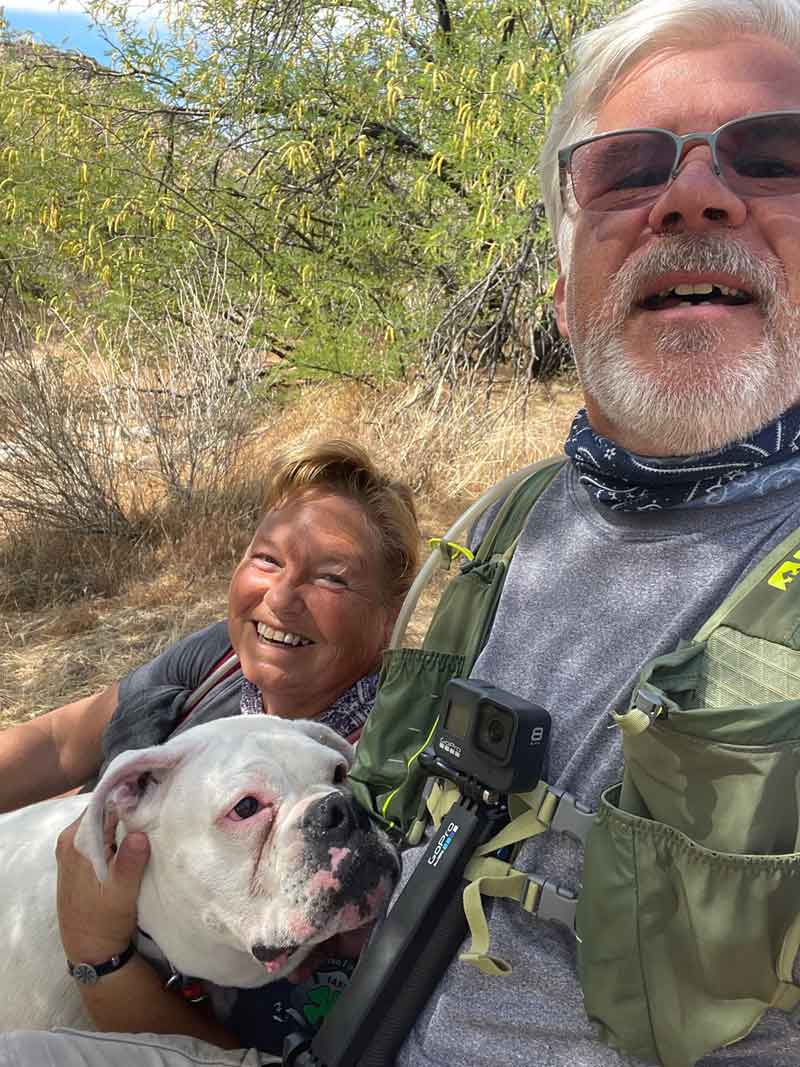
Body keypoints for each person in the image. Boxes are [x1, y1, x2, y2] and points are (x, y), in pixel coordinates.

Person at [5, 0, 800, 1062]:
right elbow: (66, 737)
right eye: (626, 169)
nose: (694, 196)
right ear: (561, 296)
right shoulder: (501, 530)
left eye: (772, 156)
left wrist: (104, 959)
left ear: (378, 618)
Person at [0, 439, 419, 1058]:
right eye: (268, 559)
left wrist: (96, 950)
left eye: (331, 577)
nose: (280, 599)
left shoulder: (398, 755)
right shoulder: (221, 663)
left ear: (391, 618)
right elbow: (62, 741)